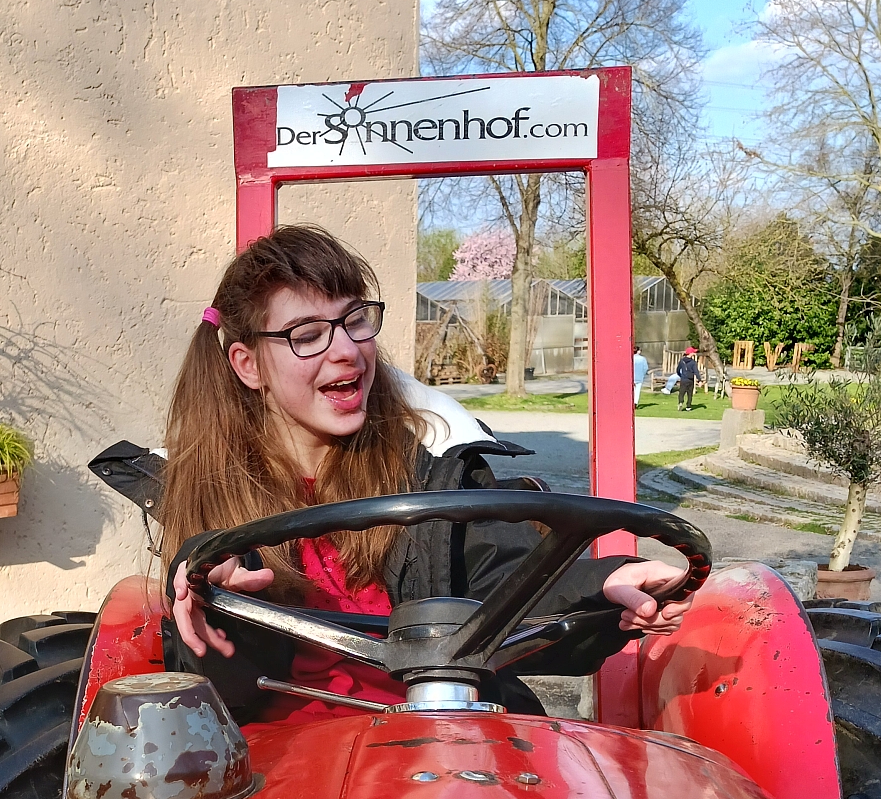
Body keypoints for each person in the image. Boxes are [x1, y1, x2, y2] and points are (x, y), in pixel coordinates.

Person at [162, 225, 692, 724]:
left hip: (440, 742)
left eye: (354, 320)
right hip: (289, 760)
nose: (347, 350)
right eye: (308, 334)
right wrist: (216, 599)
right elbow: (218, 691)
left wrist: (602, 585)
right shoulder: (218, 499)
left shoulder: (432, 476)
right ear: (249, 364)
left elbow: (505, 586)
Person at [676, 346, 701, 411]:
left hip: (683, 379)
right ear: (691, 353)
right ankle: (688, 406)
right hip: (690, 379)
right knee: (689, 393)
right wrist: (699, 380)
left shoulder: (682, 361)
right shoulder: (693, 362)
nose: (694, 353)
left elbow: (678, 369)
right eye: (693, 352)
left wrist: (680, 375)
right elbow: (696, 372)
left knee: (681, 392)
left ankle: (680, 402)